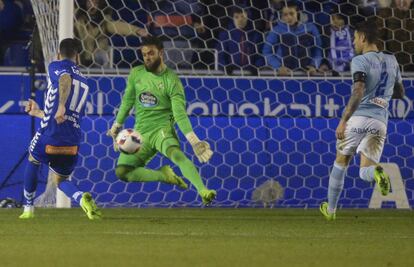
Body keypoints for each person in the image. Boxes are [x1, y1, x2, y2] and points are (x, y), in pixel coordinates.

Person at [107, 36, 216, 205]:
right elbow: (128, 101)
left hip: (162, 131)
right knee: (122, 172)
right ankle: (163, 175)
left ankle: (203, 190)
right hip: (140, 133)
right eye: (144, 54)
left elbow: (180, 114)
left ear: (161, 53)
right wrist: (117, 124)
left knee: (178, 156)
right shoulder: (136, 73)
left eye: (151, 53)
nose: (147, 58)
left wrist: (193, 141)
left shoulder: (172, 81)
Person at [319, 21, 405, 220]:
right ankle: (377, 172)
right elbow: (400, 92)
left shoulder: (360, 61)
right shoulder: (392, 61)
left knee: (341, 161)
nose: (354, 42)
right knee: (365, 170)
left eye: (355, 38)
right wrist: (382, 95)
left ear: (363, 38)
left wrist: (343, 120)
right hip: (380, 122)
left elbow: (358, 91)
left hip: (358, 118)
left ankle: (330, 211)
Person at [19, 38, 101, 220]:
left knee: (33, 159)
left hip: (50, 135)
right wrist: (39, 112)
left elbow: (65, 79)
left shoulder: (57, 66)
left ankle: (28, 209)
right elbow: (65, 115)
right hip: (72, 140)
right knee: (61, 180)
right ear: (77, 57)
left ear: (58, 54)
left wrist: (61, 105)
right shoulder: (85, 80)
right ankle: (81, 198)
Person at [74, 0, 149, 67]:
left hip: (97, 57)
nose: (92, 5)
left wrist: (136, 30)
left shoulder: (103, 19)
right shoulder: (78, 19)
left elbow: (116, 26)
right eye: (89, 2)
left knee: (102, 54)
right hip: (79, 56)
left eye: (95, 3)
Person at [262, 1, 322, 76]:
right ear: (281, 16)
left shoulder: (311, 28)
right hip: (285, 73)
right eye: (285, 15)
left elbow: (317, 49)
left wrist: (314, 65)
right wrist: (278, 66)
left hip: (306, 73)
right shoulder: (276, 30)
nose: (289, 17)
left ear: (298, 13)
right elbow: (266, 52)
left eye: (291, 13)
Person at [217, 7, 264, 75]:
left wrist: (257, 67)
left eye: (243, 16)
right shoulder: (225, 35)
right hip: (231, 74)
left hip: (251, 74)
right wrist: (225, 68)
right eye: (236, 17)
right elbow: (221, 55)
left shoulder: (256, 35)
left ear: (248, 18)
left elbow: (260, 55)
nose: (240, 19)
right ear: (232, 18)